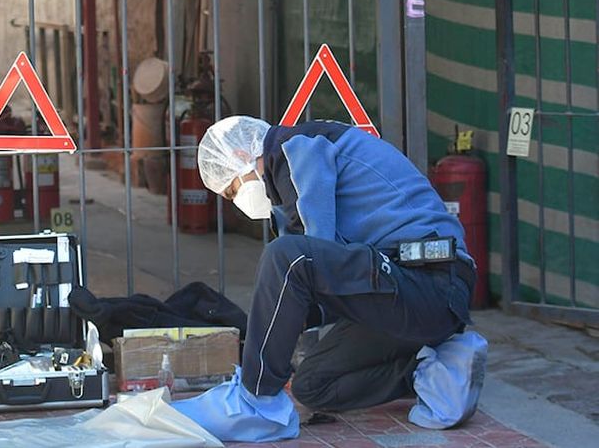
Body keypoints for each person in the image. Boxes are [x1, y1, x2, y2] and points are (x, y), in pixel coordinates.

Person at [172, 116, 487, 442]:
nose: (238, 202)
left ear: (240, 156)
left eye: (232, 191)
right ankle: (438, 372)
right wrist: (272, 329)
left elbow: (311, 255)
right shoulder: (291, 180)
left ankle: (256, 402)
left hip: (433, 280)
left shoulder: (296, 148)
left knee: (285, 256)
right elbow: (329, 281)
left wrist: (265, 358)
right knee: (313, 385)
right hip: (404, 294)